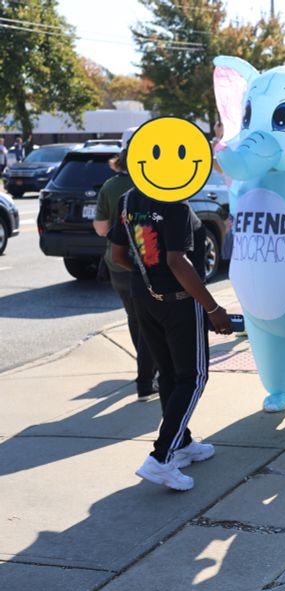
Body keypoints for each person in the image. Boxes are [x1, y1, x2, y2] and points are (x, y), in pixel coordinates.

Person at [108, 180, 233, 492]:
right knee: (193, 377)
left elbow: (118, 254)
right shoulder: (174, 204)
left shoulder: (128, 199)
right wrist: (213, 308)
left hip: (143, 296)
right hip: (178, 301)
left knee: (168, 374)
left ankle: (183, 442)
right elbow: (177, 261)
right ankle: (162, 457)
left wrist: (146, 278)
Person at [93, 130, 157, 401]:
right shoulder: (157, 181)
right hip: (152, 264)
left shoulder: (110, 186)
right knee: (155, 322)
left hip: (119, 265)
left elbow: (101, 228)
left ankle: (146, 374)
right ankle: (151, 376)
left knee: (136, 318)